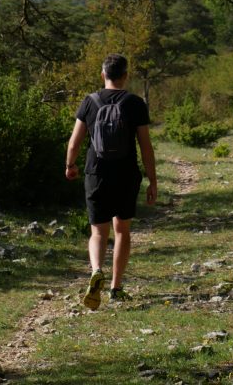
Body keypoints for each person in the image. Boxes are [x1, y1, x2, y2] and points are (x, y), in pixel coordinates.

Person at [65, 53, 157, 309]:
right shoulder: (135, 103)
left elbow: (75, 142)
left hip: (96, 173)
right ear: (126, 76)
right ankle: (116, 287)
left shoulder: (90, 101)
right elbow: (146, 147)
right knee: (122, 231)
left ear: (103, 74)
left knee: (98, 231)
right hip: (126, 174)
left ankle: (96, 270)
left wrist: (70, 165)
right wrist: (153, 181)